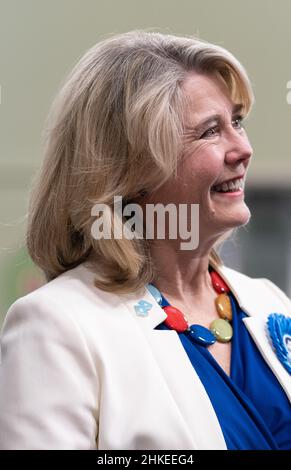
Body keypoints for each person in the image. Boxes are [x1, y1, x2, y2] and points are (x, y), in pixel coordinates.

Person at [0, 30, 290, 450]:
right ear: (131, 169)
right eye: (211, 131)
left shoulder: (266, 302)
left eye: (237, 123)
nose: (242, 148)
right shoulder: (58, 326)